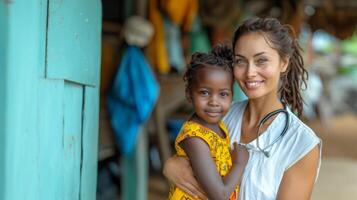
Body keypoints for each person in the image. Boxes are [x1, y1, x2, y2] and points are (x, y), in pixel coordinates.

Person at [163, 17, 322, 200]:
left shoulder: (300, 144)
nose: (249, 72)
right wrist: (171, 165)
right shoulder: (219, 116)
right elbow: (187, 152)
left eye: (261, 60)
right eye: (240, 61)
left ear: (283, 63)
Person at [168, 45, 249, 200]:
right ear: (189, 94)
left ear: (232, 95)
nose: (214, 102)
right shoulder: (195, 138)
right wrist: (239, 163)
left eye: (223, 94)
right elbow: (220, 195)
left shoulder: (218, 125)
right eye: (204, 93)